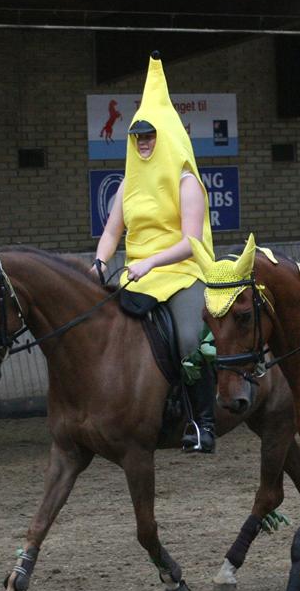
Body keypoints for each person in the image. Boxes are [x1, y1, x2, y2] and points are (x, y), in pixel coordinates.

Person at [91, 53, 218, 453]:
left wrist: (149, 262)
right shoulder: (127, 184)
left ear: (166, 137)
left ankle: (202, 423)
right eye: (137, 137)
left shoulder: (187, 181)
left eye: (149, 136)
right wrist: (99, 263)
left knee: (190, 338)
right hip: (138, 276)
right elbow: (112, 231)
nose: (143, 142)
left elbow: (191, 241)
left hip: (182, 273)